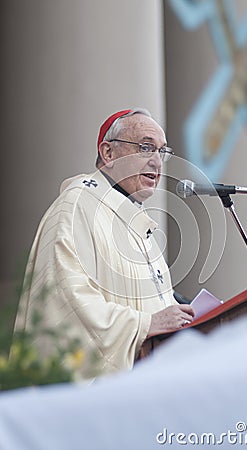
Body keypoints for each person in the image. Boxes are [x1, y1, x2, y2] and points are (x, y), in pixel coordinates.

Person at [15, 108, 194, 378]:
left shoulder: (136, 223)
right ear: (108, 153)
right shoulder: (77, 207)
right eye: (146, 148)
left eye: (162, 152)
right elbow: (68, 303)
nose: (157, 162)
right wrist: (146, 324)